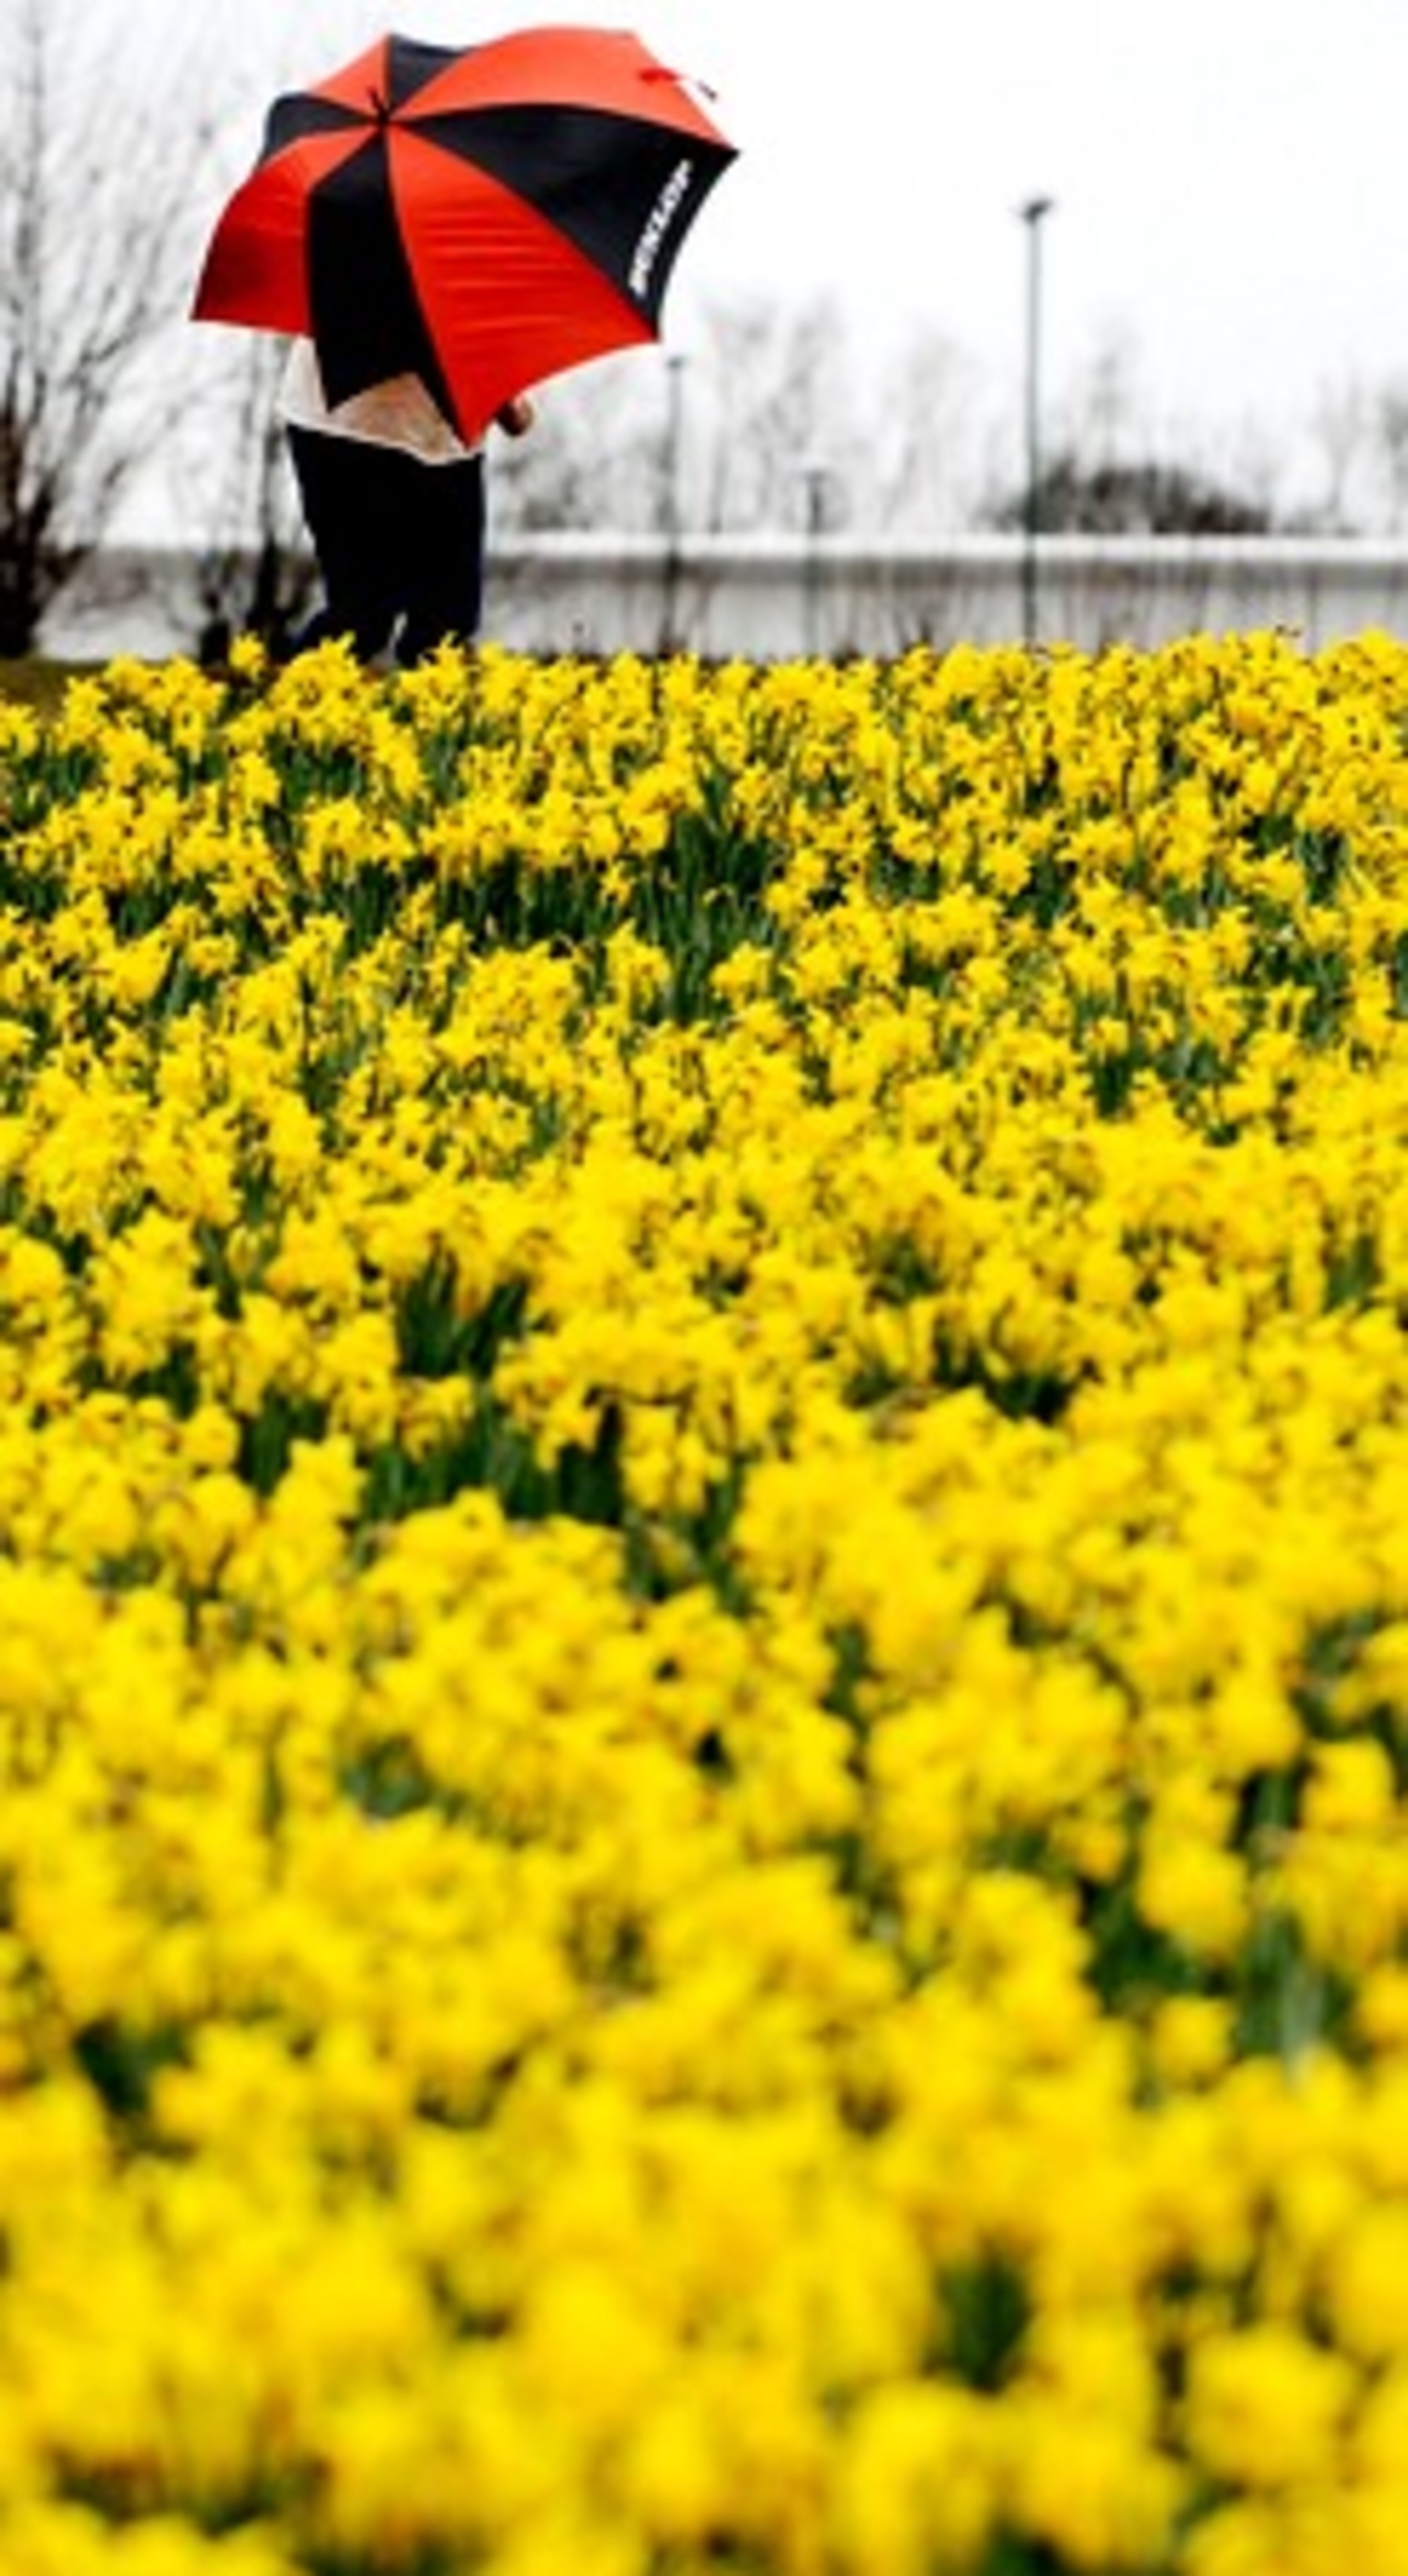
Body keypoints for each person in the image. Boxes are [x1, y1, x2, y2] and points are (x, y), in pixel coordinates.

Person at [279, 339, 535, 665]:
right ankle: (296, 705)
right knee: (361, 614)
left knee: (446, 625)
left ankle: (432, 711)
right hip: (345, 429)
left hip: (446, 442)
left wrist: (505, 391)